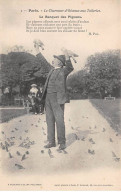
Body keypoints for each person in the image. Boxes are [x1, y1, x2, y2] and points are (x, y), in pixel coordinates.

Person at [34, 40, 74, 150]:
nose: (53, 59)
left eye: (55, 58)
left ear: (60, 62)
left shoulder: (64, 71)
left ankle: (62, 143)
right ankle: (51, 142)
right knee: (49, 120)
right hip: (48, 98)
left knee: (59, 120)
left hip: (58, 98)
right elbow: (42, 61)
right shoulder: (50, 70)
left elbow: (70, 66)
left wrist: (66, 54)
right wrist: (37, 49)